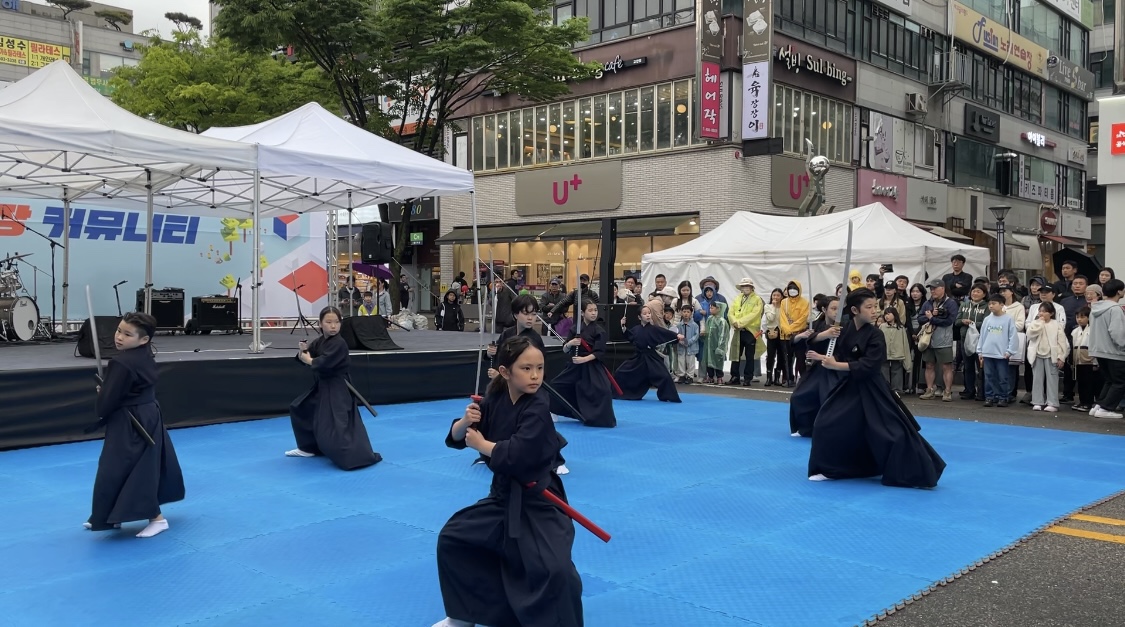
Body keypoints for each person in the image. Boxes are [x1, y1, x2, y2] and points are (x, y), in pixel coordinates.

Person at [434, 337, 583, 627]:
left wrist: (483, 445)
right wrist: (465, 423)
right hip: (502, 497)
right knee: (454, 539)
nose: (535, 375)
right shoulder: (495, 399)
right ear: (505, 372)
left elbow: (519, 454)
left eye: (540, 367)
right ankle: (465, 615)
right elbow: (455, 437)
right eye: (526, 368)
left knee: (557, 571)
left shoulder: (538, 405)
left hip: (538, 500)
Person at [805, 289, 946, 488]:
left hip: (872, 388)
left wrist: (836, 365)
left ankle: (915, 473)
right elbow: (813, 342)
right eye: (869, 307)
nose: (874, 311)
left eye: (875, 307)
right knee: (825, 423)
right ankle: (833, 469)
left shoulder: (876, 335)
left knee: (891, 433)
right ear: (854, 310)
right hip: (849, 387)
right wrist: (825, 336)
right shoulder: (844, 330)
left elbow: (868, 366)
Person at [85, 312, 185, 538]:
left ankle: (157, 519)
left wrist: (103, 394)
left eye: (127, 334)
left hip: (131, 421)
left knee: (130, 468)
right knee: (124, 466)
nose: (119, 337)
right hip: (146, 414)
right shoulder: (143, 355)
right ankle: (110, 516)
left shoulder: (121, 362)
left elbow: (107, 403)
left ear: (143, 339)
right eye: (119, 330)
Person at [288, 306, 382, 470]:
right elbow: (309, 354)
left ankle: (352, 457)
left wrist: (308, 360)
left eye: (336, 322)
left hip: (337, 386)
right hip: (323, 385)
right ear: (320, 323)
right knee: (300, 408)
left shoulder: (339, 343)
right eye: (329, 322)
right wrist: (303, 351)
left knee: (338, 423)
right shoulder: (321, 341)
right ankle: (308, 447)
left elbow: (322, 362)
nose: (333, 326)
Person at [549, 299, 619, 428]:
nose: (593, 313)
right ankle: (554, 410)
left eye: (595, 310)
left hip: (592, 365)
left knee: (604, 391)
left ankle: (599, 418)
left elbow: (599, 352)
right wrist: (570, 343)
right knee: (556, 386)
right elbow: (565, 349)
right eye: (590, 310)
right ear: (582, 313)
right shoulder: (575, 329)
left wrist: (584, 359)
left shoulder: (599, 331)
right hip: (575, 366)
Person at [788, 296, 842, 438]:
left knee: (828, 398)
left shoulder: (846, 326)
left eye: (839, 309)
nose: (837, 312)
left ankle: (829, 431)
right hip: (818, 369)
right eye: (833, 308)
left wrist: (822, 357)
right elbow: (810, 340)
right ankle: (806, 429)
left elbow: (845, 351)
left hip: (837, 368)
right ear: (824, 309)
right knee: (799, 396)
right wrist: (822, 335)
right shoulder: (817, 324)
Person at [615, 304, 684, 402]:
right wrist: (623, 326)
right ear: (639, 317)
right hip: (638, 357)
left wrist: (677, 336)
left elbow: (665, 333)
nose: (648, 315)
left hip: (651, 357)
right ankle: (620, 393)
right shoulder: (636, 329)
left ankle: (667, 396)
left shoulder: (654, 329)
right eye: (644, 314)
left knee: (664, 376)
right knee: (620, 372)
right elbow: (629, 336)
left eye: (649, 313)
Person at [1088, 279, 1125, 419]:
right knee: (1120, 382)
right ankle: (1105, 408)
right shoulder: (1115, 309)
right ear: (1119, 291)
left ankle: (1099, 405)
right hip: (1114, 352)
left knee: (1110, 380)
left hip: (1099, 349)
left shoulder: (1095, 308)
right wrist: (1123, 345)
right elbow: (1117, 333)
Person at [976, 294, 1020, 408]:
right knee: (989, 376)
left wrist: (1010, 351)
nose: (991, 306)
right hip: (988, 352)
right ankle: (989, 397)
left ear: (1001, 305)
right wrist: (980, 351)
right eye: (990, 304)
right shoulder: (987, 319)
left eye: (994, 304)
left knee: (1002, 377)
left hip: (1001, 354)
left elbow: (1013, 336)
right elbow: (982, 336)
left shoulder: (1008, 319)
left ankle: (1003, 397)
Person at [1026, 301, 1068, 412]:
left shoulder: (1056, 324)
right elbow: (1030, 334)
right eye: (1040, 311)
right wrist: (1039, 323)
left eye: (1044, 311)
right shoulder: (1035, 323)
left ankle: (1052, 403)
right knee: (1037, 379)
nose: (1041, 313)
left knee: (1052, 379)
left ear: (1051, 313)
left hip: (1051, 355)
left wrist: (1061, 356)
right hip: (1037, 354)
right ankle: (1037, 401)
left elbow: (1061, 342)